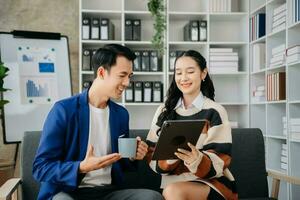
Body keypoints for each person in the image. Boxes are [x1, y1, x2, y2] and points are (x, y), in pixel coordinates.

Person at [33, 44, 163, 200]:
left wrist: (132, 156)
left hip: (108, 193)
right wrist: (81, 167)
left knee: (152, 197)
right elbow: (41, 168)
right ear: (101, 72)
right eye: (122, 75)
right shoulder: (64, 110)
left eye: (130, 76)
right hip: (69, 193)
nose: (127, 82)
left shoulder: (121, 114)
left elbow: (121, 164)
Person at [145, 50, 238, 200]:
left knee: (173, 192)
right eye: (178, 73)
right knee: (172, 191)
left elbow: (221, 159)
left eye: (190, 72)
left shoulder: (215, 111)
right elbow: (151, 155)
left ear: (203, 74)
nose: (183, 78)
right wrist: (170, 158)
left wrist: (198, 160)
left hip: (210, 184)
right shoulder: (163, 111)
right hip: (171, 185)